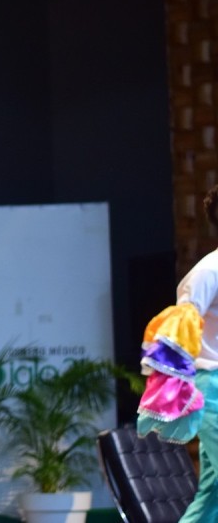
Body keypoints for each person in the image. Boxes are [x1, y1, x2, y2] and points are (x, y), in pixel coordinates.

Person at [137, 183, 218, 521]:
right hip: (213, 385)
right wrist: (175, 387)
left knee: (213, 494)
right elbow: (177, 333)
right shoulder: (208, 272)